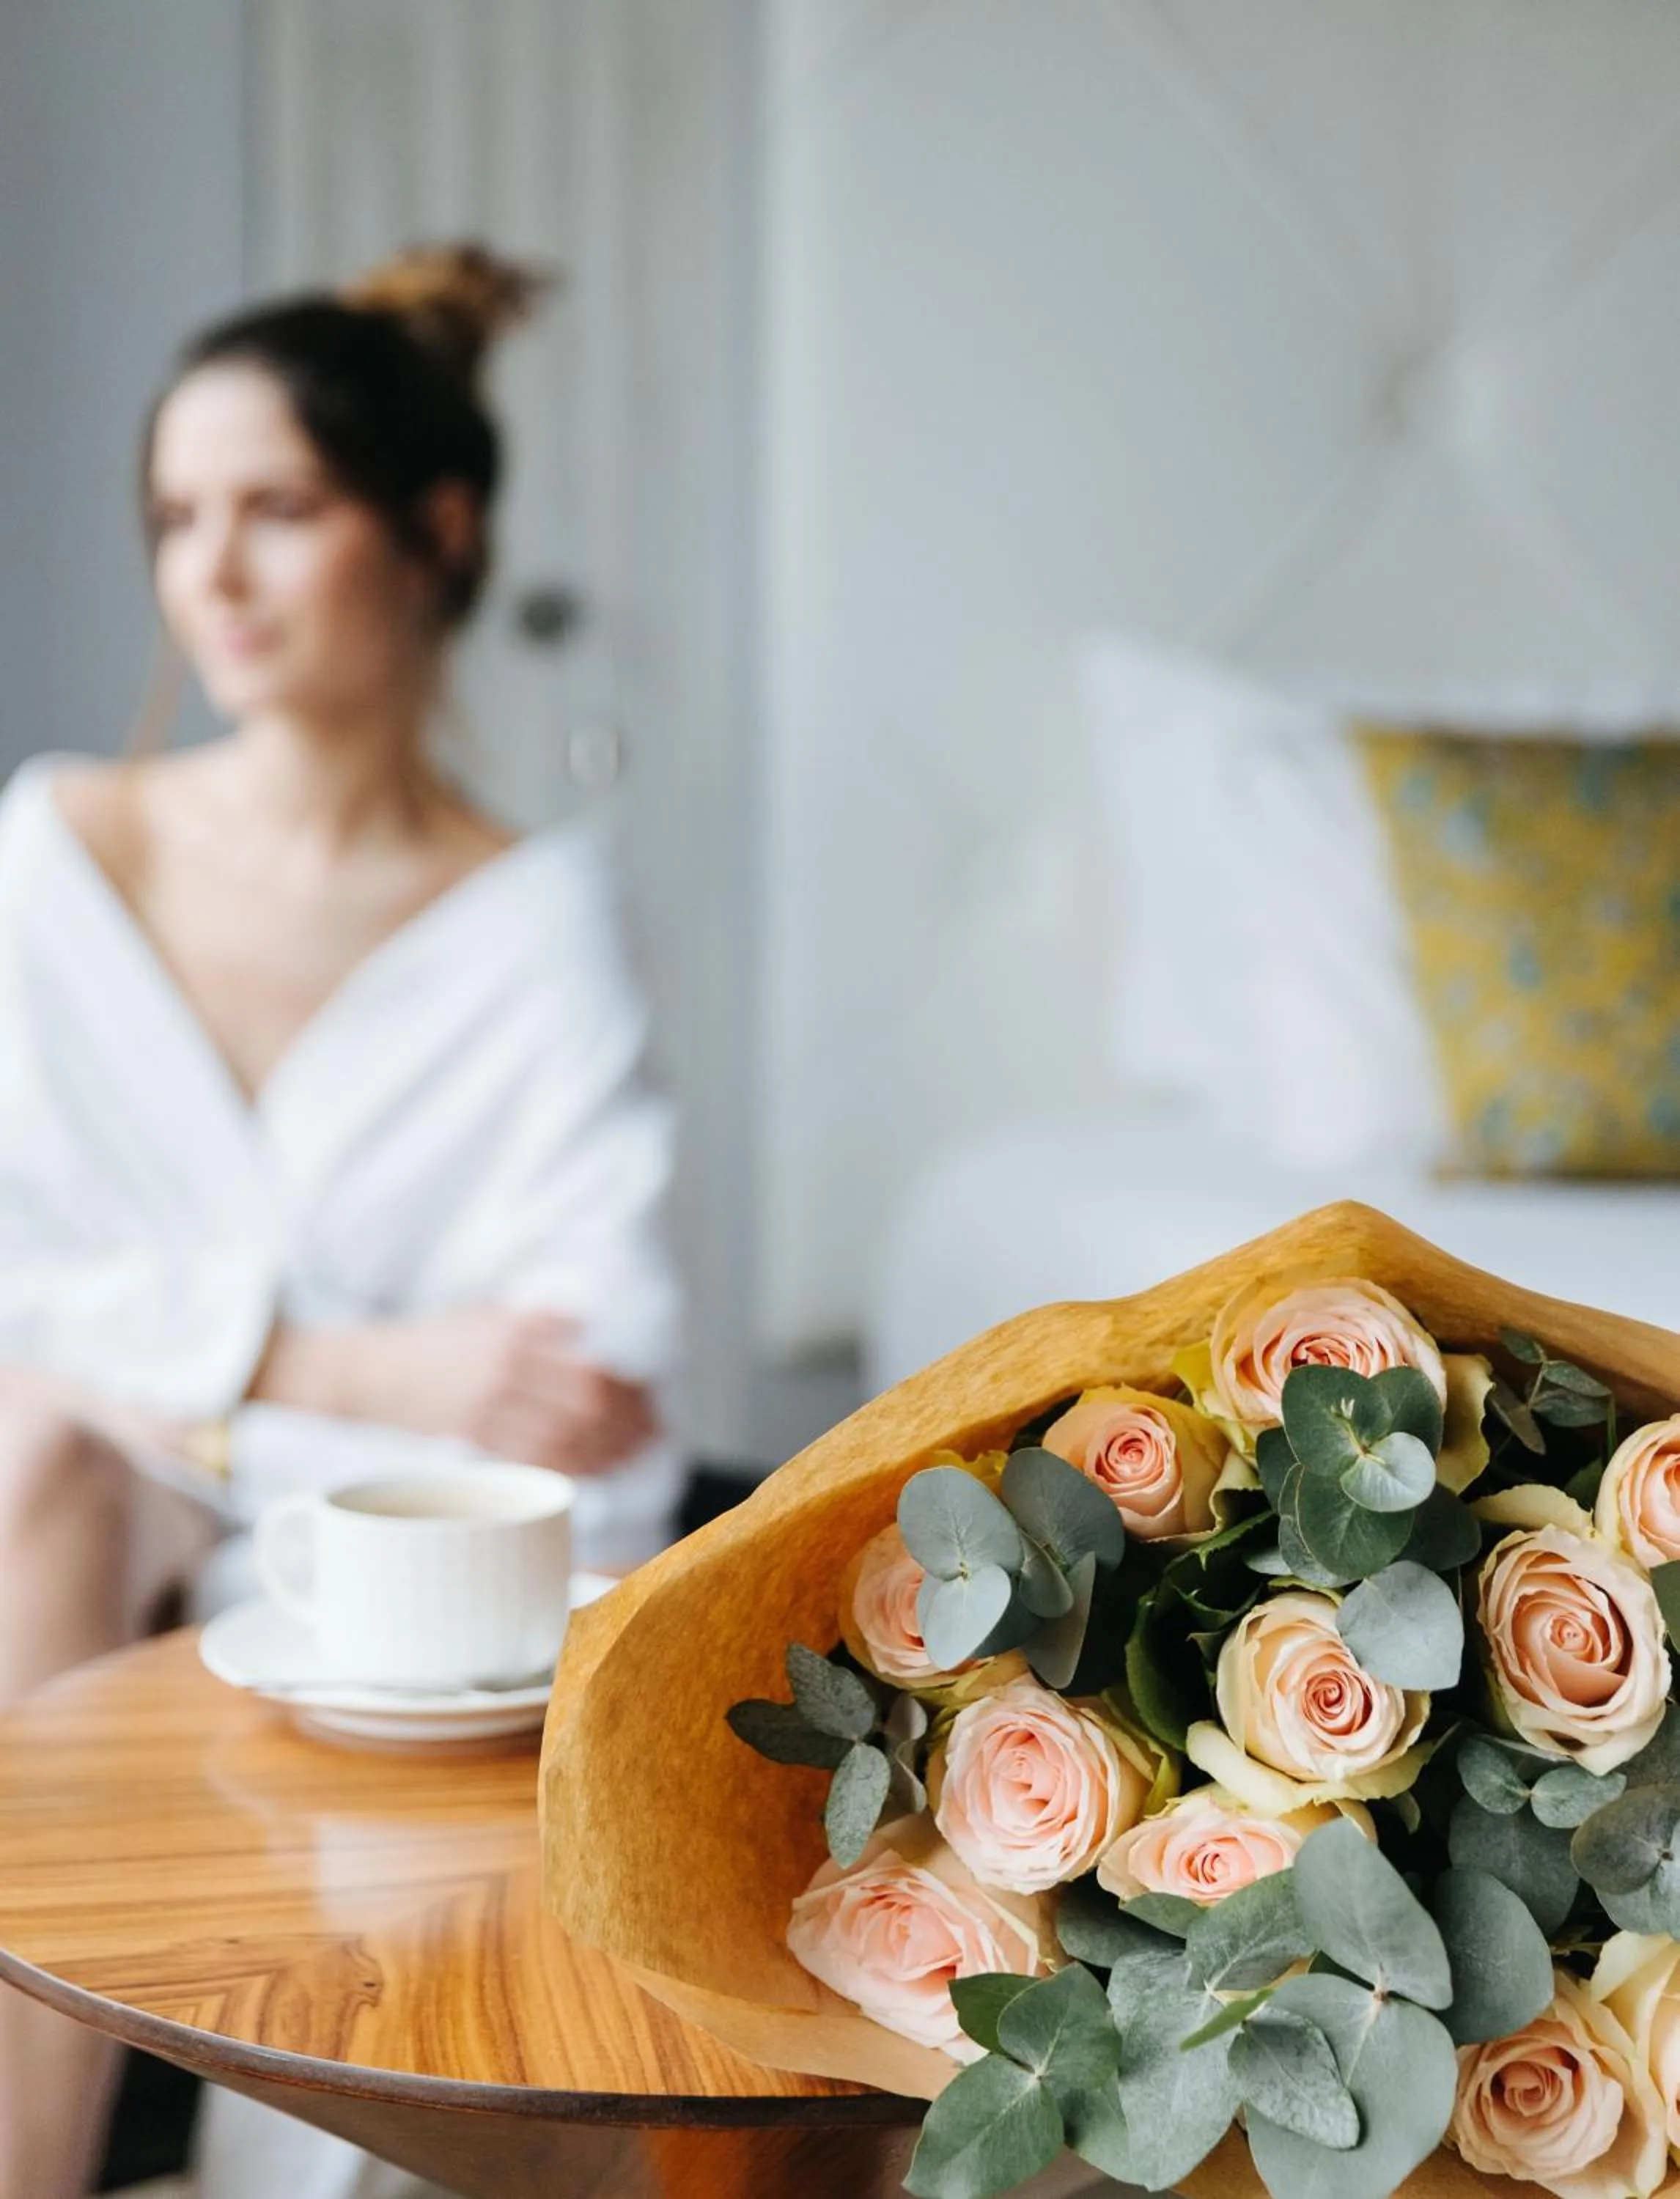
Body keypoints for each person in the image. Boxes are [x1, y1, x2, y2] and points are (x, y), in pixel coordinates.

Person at [0, 244, 682, 2199]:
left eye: (278, 512)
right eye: (176, 520)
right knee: (35, 1445)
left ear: (436, 532)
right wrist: (346, 1364)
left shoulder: (534, 925)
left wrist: (210, 1383)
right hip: (81, 1473)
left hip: (362, 1520)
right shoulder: (63, 851)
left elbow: (589, 1386)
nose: (210, 574)